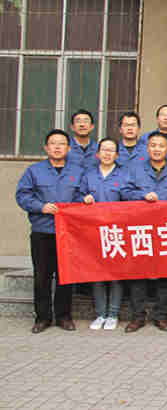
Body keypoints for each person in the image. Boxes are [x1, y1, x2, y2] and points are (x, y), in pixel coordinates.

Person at [16, 129, 85, 333]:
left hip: (68, 233)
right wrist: (41, 207)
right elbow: (22, 196)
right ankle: (42, 318)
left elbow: (82, 196)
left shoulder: (77, 172)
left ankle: (64, 317)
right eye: (53, 143)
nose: (57, 147)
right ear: (46, 148)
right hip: (42, 232)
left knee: (66, 276)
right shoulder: (34, 171)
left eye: (61, 144)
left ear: (68, 148)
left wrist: (84, 201)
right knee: (42, 276)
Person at [121, 132, 167, 333]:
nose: (157, 149)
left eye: (161, 146)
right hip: (141, 229)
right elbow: (124, 192)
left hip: (166, 229)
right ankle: (137, 316)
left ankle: (161, 316)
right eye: (153, 145)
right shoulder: (135, 169)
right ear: (147, 148)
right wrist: (142, 195)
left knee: (166, 274)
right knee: (138, 274)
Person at [81, 138, 127, 331]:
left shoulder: (124, 175)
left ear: (117, 155)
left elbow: (131, 201)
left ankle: (113, 314)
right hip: (94, 231)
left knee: (116, 275)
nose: (107, 154)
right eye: (104, 150)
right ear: (97, 154)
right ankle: (100, 313)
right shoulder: (89, 175)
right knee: (97, 273)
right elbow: (77, 197)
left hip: (117, 232)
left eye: (111, 150)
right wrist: (83, 198)